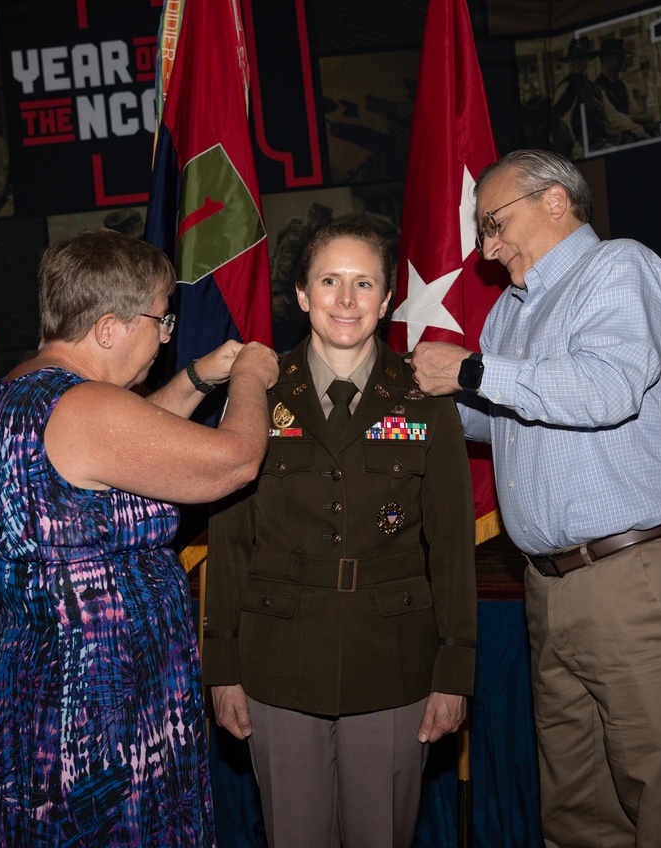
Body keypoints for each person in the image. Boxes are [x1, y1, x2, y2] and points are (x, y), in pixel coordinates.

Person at [407, 149, 661, 848]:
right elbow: (508, 418)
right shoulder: (510, 314)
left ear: (555, 200)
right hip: (550, 588)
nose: (486, 250)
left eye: (494, 223)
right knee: (578, 811)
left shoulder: (617, 269)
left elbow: (604, 391)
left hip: (633, 579)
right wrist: (429, 400)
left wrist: (471, 369)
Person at [0, 227, 279, 847]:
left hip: (46, 688)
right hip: (100, 716)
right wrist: (250, 376)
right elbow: (234, 460)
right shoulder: (82, 409)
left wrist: (194, 378)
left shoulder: (28, 392)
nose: (164, 338)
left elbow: (130, 446)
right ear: (108, 328)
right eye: (160, 322)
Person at [202, 222, 477, 848]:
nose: (346, 300)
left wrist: (454, 670)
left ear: (385, 302)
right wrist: (221, 664)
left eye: (364, 284)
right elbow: (231, 538)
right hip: (278, 663)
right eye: (329, 281)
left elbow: (454, 547)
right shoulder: (258, 392)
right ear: (301, 294)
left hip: (394, 664)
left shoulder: (426, 399)